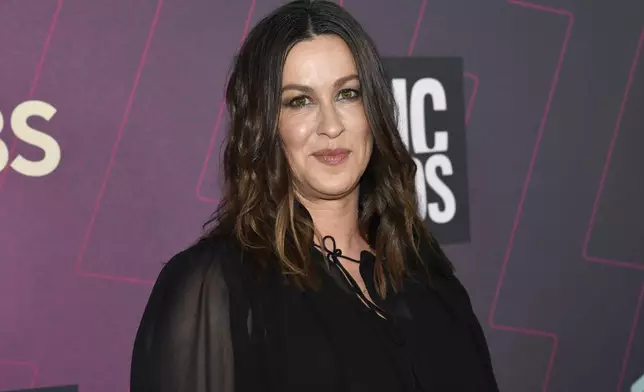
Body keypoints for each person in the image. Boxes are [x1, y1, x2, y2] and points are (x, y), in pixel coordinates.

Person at [129, 0, 499, 391]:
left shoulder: (423, 270)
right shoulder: (212, 286)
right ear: (264, 124)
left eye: (348, 94)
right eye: (299, 101)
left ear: (374, 109)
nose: (331, 125)